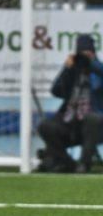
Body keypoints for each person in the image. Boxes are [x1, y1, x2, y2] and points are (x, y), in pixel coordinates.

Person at [37, 34, 103, 173]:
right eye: (81, 53)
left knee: (93, 119)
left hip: (96, 127)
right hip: (71, 122)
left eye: (88, 52)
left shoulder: (98, 71)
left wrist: (91, 63)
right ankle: (68, 163)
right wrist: (67, 69)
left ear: (93, 53)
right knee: (45, 126)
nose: (84, 56)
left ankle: (84, 164)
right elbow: (55, 91)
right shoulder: (73, 71)